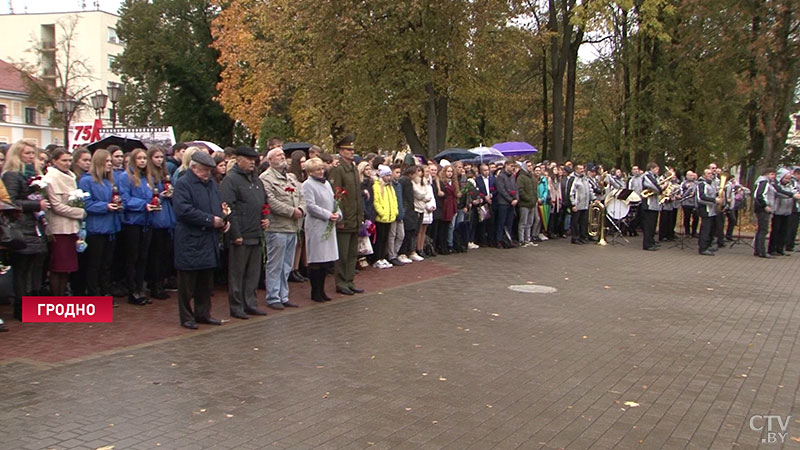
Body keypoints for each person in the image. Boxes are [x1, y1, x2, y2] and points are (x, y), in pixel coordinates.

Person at [173, 151, 229, 329]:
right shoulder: (183, 184)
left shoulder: (211, 184)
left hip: (209, 239)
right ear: (193, 167)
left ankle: (203, 313)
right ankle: (186, 316)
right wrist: (209, 220)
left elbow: (217, 205)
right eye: (204, 170)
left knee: (206, 282)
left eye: (208, 170)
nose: (207, 173)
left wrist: (222, 221)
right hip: (190, 239)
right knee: (187, 282)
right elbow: (183, 211)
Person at [219, 146, 269, 319]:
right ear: (238, 160)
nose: (252, 163)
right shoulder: (230, 180)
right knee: (237, 273)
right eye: (248, 160)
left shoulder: (256, 180)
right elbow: (228, 208)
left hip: (256, 232)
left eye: (254, 160)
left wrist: (265, 217)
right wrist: (235, 233)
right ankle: (236, 305)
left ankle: (251, 302)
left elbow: (264, 201)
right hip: (240, 234)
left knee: (253, 272)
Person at [2, 140, 50, 320]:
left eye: (33, 154)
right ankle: (21, 308)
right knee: (21, 270)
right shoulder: (12, 175)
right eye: (27, 153)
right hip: (20, 226)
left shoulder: (34, 175)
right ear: (17, 155)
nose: (31, 157)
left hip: (34, 226)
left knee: (32, 268)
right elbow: (11, 202)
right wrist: (36, 204)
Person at [260, 148, 305, 309]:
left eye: (282, 155)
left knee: (287, 264)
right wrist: (291, 211)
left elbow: (300, 195)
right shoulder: (266, 178)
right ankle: (273, 296)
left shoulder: (290, 178)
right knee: (275, 264)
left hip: (292, 227)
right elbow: (271, 201)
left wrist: (301, 209)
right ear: (270, 160)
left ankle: (283, 295)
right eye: (278, 155)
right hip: (277, 227)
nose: (282, 158)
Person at [44, 148, 88, 295]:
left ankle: (62, 296)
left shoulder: (71, 176)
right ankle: (57, 299)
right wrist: (79, 212)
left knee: (67, 267)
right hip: (59, 227)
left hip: (72, 227)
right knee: (58, 267)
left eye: (69, 160)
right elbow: (57, 206)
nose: (67, 163)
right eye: (63, 160)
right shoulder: (51, 178)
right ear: (54, 161)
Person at [79, 149, 122, 297]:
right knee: (94, 264)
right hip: (95, 227)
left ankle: (105, 292)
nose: (110, 164)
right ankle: (93, 293)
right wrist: (105, 206)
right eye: (107, 161)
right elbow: (85, 204)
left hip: (110, 226)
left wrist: (118, 203)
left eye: (110, 161)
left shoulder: (110, 182)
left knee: (107, 264)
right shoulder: (86, 181)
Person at [118, 148, 158, 305]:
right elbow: (125, 199)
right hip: (133, 221)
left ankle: (140, 288)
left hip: (147, 221)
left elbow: (151, 195)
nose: (142, 161)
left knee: (143, 257)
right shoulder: (125, 177)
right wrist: (144, 205)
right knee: (132, 257)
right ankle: (132, 290)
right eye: (139, 158)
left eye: (144, 158)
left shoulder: (147, 178)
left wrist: (155, 202)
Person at [327, 136, 365, 295]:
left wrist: (360, 216)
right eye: (348, 150)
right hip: (345, 217)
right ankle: (341, 282)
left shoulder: (353, 168)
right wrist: (339, 216)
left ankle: (349, 280)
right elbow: (336, 195)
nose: (351, 152)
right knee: (342, 254)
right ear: (341, 151)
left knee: (351, 253)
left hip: (355, 216)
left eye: (352, 150)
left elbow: (356, 195)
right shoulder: (338, 169)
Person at [301, 157, 341, 302]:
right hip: (317, 225)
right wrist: (327, 215)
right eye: (317, 169)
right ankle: (315, 291)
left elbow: (334, 200)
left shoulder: (327, 184)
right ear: (310, 172)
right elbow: (310, 206)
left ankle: (322, 290)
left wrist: (337, 212)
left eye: (322, 169)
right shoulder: (307, 185)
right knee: (316, 259)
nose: (321, 172)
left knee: (325, 259)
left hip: (329, 224)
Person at [146, 147, 176, 300]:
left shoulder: (165, 174)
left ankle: (161, 282)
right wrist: (162, 196)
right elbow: (150, 195)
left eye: (161, 157)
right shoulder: (149, 176)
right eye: (156, 157)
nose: (159, 160)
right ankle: (155, 284)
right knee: (156, 253)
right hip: (157, 216)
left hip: (167, 215)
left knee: (164, 252)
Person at [768, 168, 799, 256]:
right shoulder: (776, 185)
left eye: (789, 178)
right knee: (775, 231)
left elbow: (795, 191)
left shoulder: (790, 185)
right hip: (777, 211)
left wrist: (796, 195)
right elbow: (780, 193)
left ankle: (780, 248)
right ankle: (772, 249)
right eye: (786, 178)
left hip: (787, 211)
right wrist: (792, 196)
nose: (787, 180)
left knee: (784, 231)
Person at [372, 164, 397, 269]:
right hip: (382, 217)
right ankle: (377, 258)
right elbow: (376, 201)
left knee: (386, 238)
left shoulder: (390, 187)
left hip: (390, 217)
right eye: (387, 175)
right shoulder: (376, 186)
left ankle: (383, 257)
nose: (389, 178)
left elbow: (394, 200)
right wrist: (382, 213)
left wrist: (395, 211)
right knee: (380, 239)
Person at [753, 168, 776, 258]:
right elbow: (759, 195)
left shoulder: (763, 182)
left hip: (760, 209)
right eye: (771, 174)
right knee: (763, 230)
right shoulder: (764, 182)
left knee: (760, 230)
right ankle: (762, 251)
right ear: (766, 174)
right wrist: (765, 205)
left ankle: (758, 250)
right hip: (763, 209)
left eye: (774, 174)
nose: (773, 176)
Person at [696, 168, 719, 256]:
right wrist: (714, 200)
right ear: (704, 175)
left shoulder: (711, 184)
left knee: (711, 229)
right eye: (708, 174)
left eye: (711, 174)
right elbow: (701, 198)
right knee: (705, 229)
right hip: (705, 209)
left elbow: (714, 194)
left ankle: (708, 245)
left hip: (712, 210)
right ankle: (702, 248)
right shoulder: (701, 184)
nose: (710, 175)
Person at [641, 163, 663, 251]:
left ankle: (652, 241)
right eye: (656, 169)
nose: (657, 171)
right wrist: (661, 189)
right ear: (651, 168)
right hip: (648, 204)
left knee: (653, 224)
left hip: (654, 204)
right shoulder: (647, 175)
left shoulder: (655, 176)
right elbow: (653, 185)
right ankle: (647, 244)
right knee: (648, 225)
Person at [516, 161, 537, 247]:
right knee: (523, 222)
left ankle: (528, 239)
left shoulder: (532, 177)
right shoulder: (521, 177)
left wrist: (535, 198)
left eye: (531, 166)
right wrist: (528, 198)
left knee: (530, 222)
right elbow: (520, 190)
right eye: (528, 166)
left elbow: (535, 189)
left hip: (532, 203)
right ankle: (521, 240)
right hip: (524, 203)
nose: (530, 167)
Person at [569, 164, 591, 244]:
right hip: (577, 204)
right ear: (576, 170)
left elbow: (589, 189)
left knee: (583, 222)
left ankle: (582, 236)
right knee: (575, 222)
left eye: (583, 168)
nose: (582, 170)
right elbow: (571, 193)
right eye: (580, 169)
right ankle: (575, 238)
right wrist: (573, 204)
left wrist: (593, 198)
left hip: (585, 204)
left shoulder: (585, 179)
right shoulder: (574, 179)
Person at [680, 171, 699, 237]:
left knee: (696, 217)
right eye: (690, 175)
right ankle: (687, 232)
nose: (691, 177)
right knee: (687, 217)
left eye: (692, 175)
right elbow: (681, 192)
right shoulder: (684, 183)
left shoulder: (696, 183)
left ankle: (694, 232)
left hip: (694, 203)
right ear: (687, 176)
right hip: (686, 203)